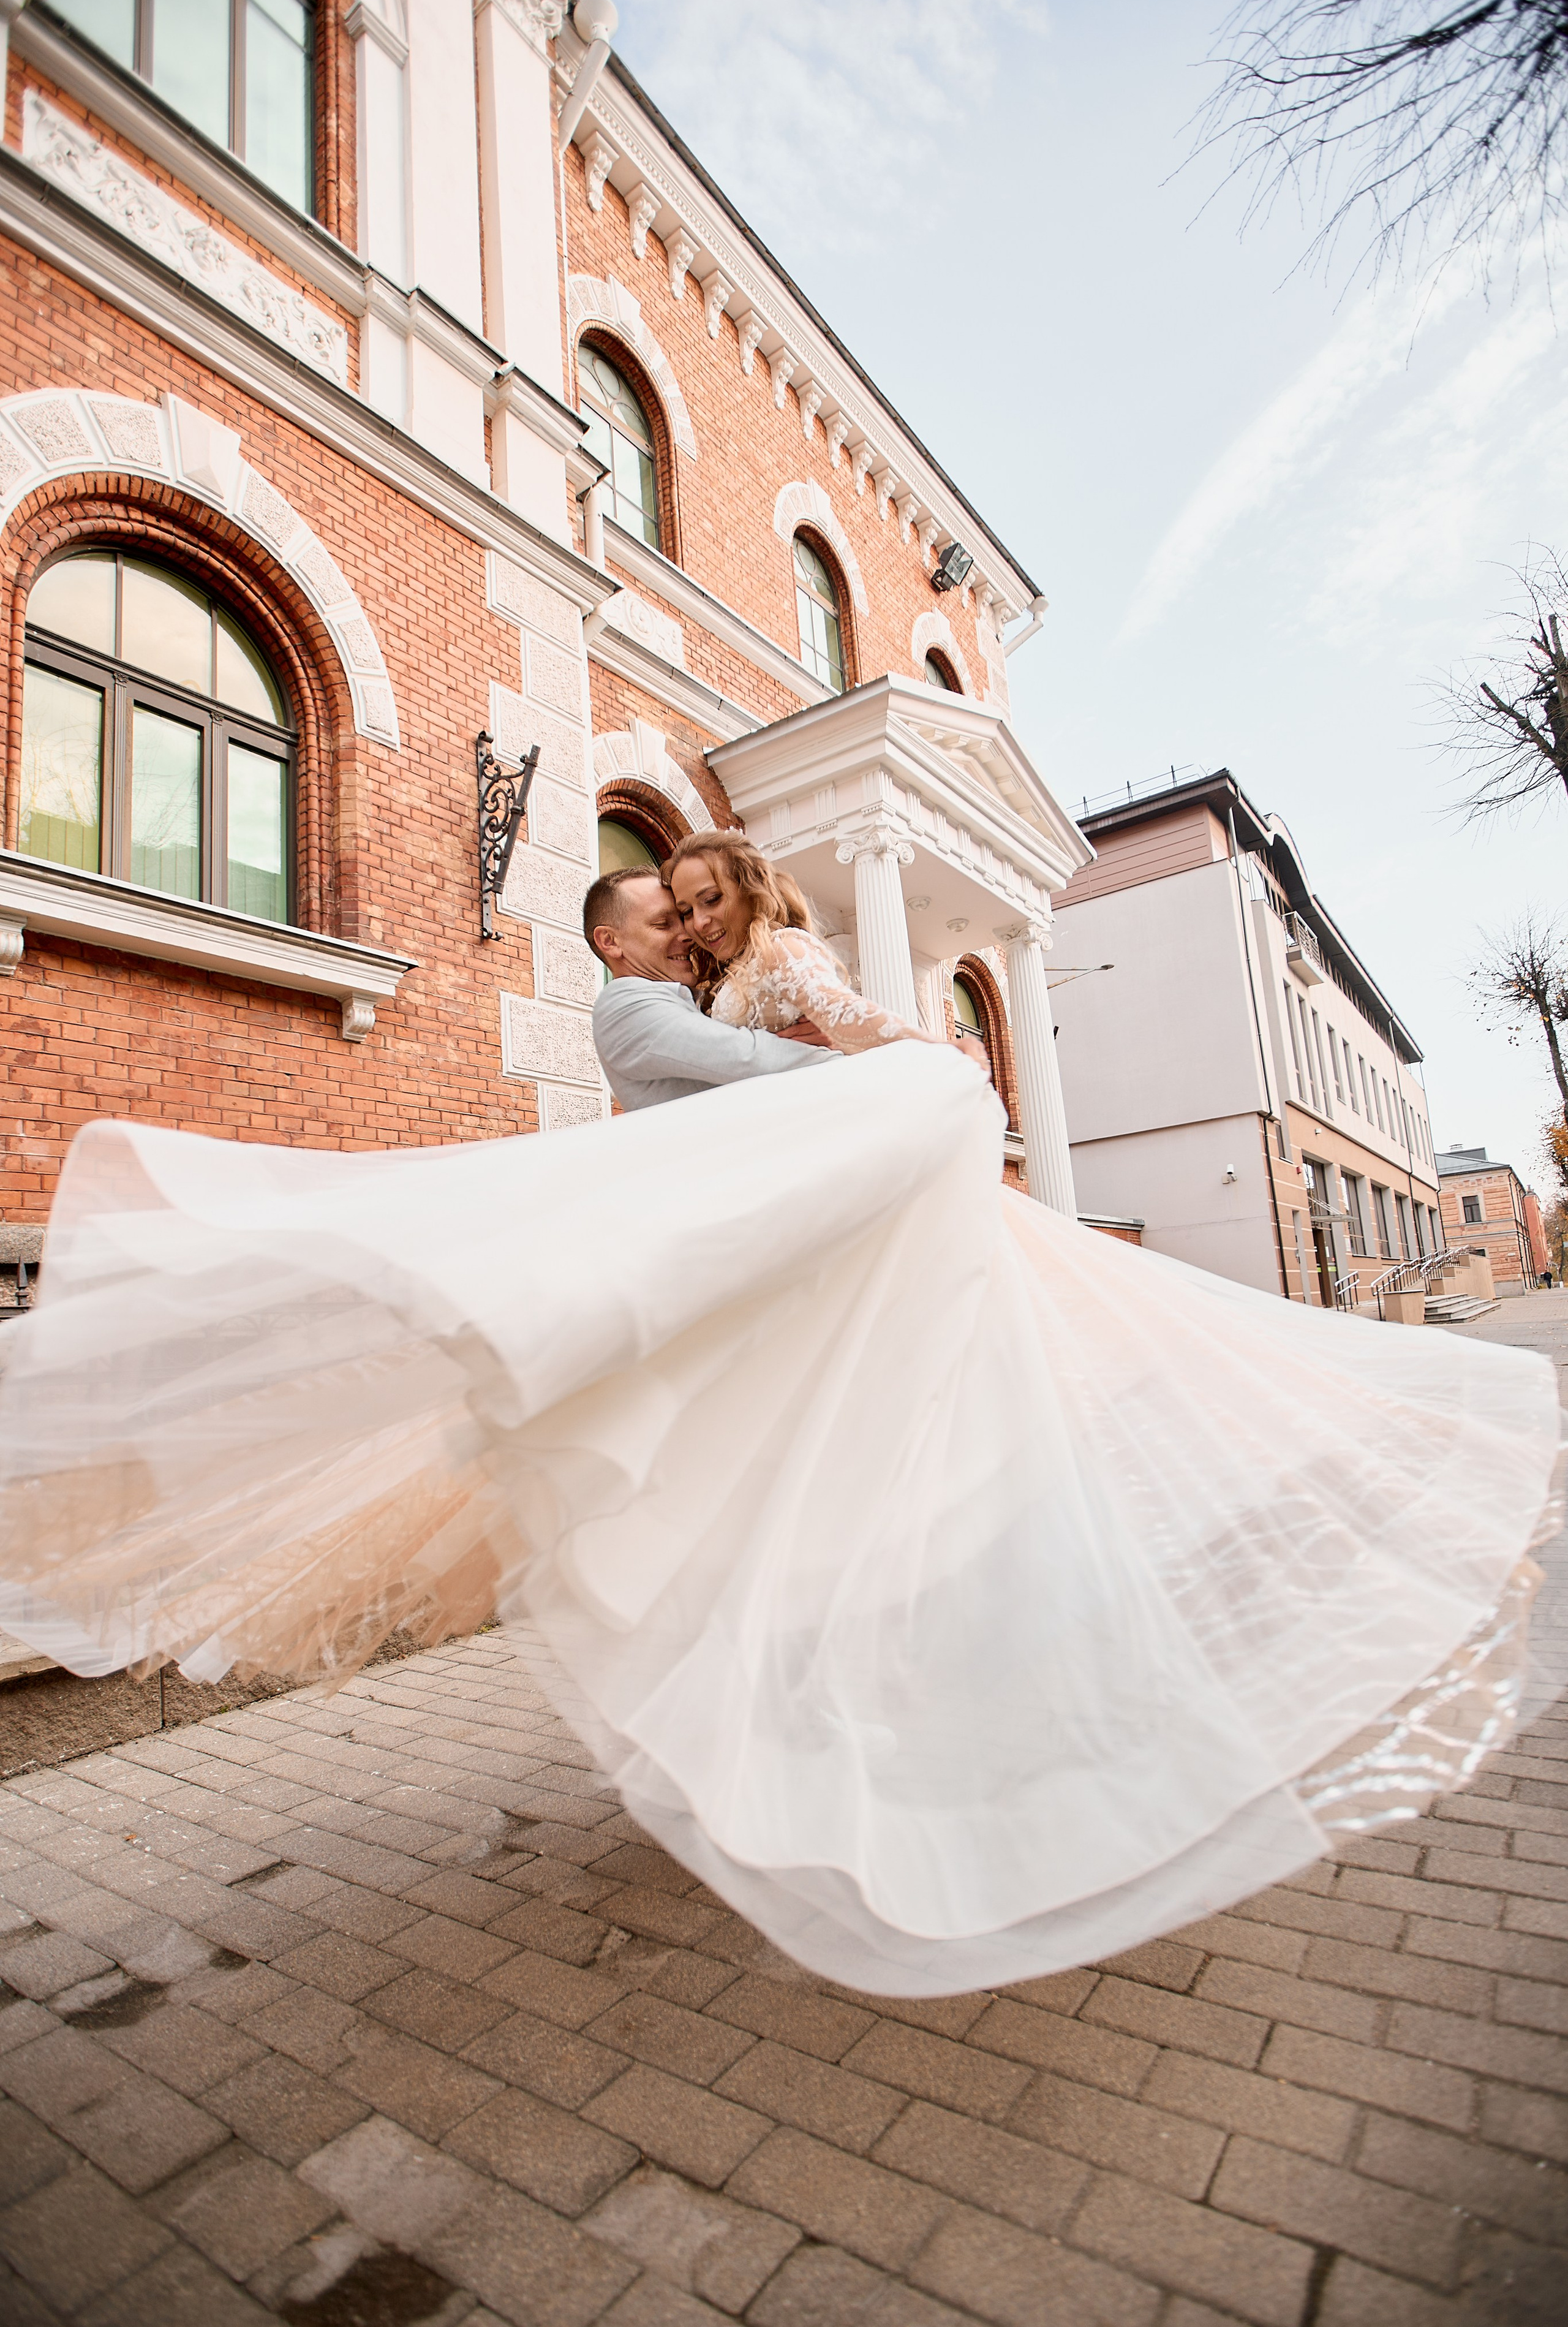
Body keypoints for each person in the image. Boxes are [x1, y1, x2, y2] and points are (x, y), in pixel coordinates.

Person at [0, 835, 1560, 1999]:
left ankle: (948, 1705)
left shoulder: (768, 972)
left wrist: (919, 1076)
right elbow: (761, 1075)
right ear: (626, 936)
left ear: (729, 903)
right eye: (657, 912)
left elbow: (834, 1051)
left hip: (801, 1245)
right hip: (736, 1255)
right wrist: (886, 1078)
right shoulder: (638, 1016)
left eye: (690, 905)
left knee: (900, 1469)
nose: (676, 925)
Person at [584, 861, 829, 1111]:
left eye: (683, 918)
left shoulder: (683, 999)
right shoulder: (623, 1006)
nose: (689, 934)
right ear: (610, 941)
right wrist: (843, 1048)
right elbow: (747, 1057)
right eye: (662, 924)